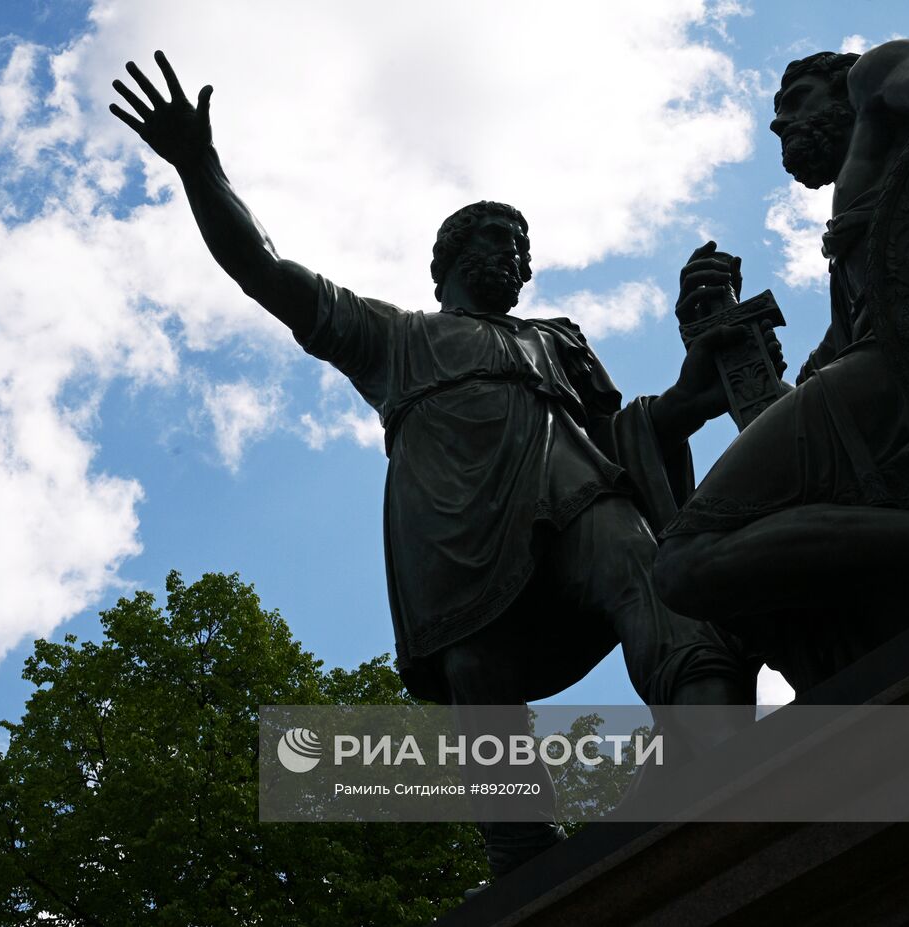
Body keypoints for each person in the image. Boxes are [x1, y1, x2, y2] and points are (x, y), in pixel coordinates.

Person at [111, 51, 759, 875]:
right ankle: (524, 857)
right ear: (446, 259)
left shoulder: (557, 339)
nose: (514, 258)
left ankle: (728, 760)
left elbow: (623, 435)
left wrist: (692, 393)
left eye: (522, 249)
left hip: (574, 491)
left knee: (651, 576)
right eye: (496, 240)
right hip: (453, 533)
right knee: (481, 680)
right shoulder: (395, 337)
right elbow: (264, 271)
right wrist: (199, 166)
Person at [655, 43, 909, 689]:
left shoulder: (872, 77)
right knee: (708, 575)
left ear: (843, 91)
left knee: (685, 558)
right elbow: (805, 443)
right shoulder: (854, 284)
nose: (779, 123)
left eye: (796, 101)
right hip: (891, 369)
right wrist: (730, 350)